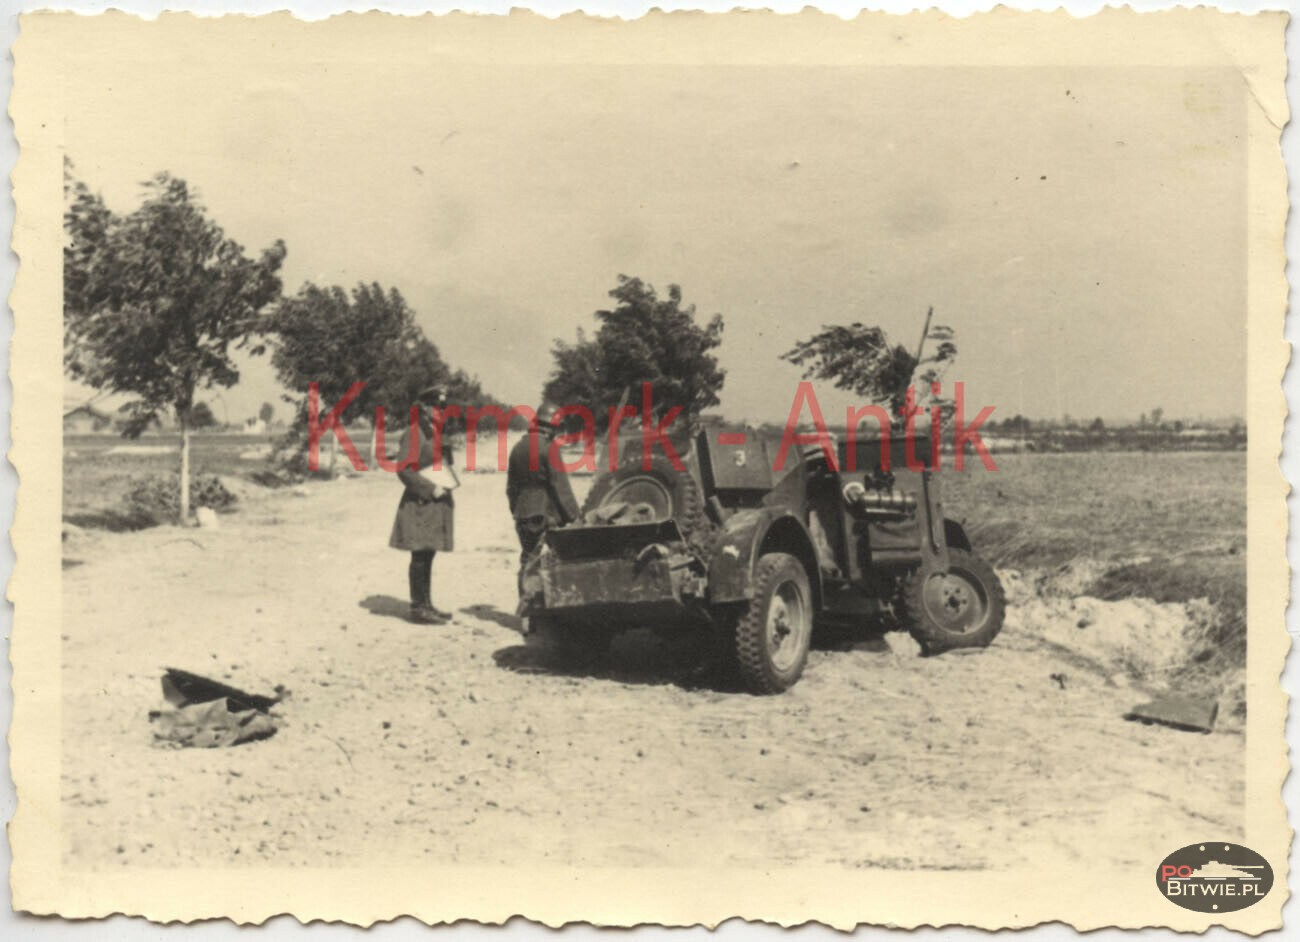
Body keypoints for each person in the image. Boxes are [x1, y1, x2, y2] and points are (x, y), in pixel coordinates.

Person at [389, 385, 456, 624]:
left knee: (429, 553)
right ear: (425, 408)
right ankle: (418, 608)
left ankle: (427, 604)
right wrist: (430, 488)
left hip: (433, 504)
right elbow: (403, 470)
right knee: (420, 554)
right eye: (437, 406)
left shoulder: (434, 433)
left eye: (444, 407)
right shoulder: (415, 432)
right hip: (420, 502)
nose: (441, 411)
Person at [507, 403, 580, 591]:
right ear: (551, 426)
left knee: (527, 559)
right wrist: (576, 517)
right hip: (543, 514)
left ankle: (525, 608)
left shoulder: (517, 448)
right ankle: (532, 609)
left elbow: (511, 488)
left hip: (522, 514)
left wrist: (517, 509)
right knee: (546, 561)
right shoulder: (549, 449)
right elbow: (561, 488)